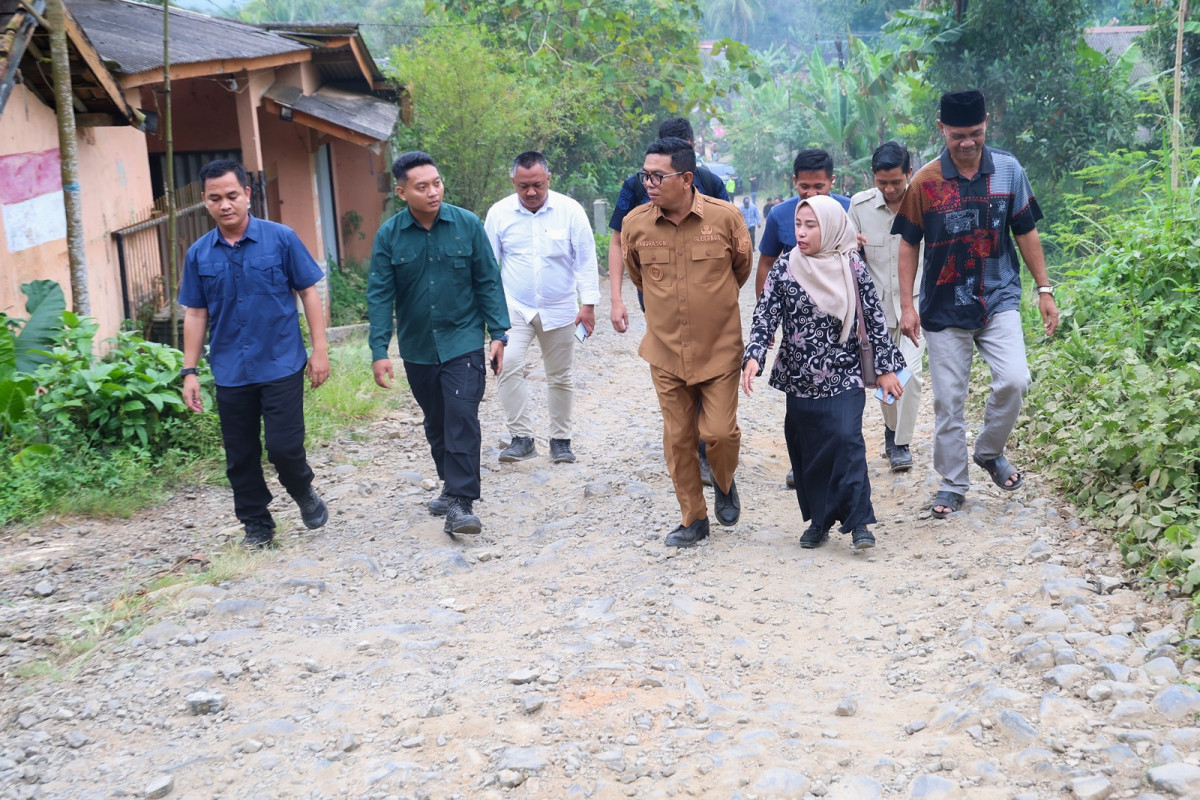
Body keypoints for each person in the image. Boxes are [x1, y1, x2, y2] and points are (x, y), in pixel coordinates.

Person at [891, 89, 1059, 519]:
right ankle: (952, 484)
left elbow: (1025, 231)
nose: (967, 143)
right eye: (958, 135)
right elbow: (909, 245)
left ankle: (988, 450)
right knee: (949, 400)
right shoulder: (925, 182)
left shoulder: (1008, 170)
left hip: (997, 296)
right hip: (943, 307)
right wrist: (907, 306)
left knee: (1015, 379)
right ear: (942, 129)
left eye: (976, 133)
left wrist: (1044, 289)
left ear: (987, 124)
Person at [178, 159, 329, 549]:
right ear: (205, 202)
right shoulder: (199, 254)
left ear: (247, 194)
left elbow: (308, 292)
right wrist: (189, 371)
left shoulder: (280, 238)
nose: (225, 205)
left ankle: (302, 490)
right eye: (215, 198)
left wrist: (320, 350)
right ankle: (257, 527)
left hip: (280, 362)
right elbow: (195, 314)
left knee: (284, 447)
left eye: (232, 195)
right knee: (240, 456)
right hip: (230, 369)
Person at [742, 195, 905, 551]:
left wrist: (886, 368)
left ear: (830, 226)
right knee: (810, 450)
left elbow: (874, 320)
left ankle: (859, 521)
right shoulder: (786, 266)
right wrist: (754, 356)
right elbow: (765, 314)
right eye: (798, 225)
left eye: (810, 225)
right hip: (799, 376)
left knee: (848, 440)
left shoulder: (852, 267)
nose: (801, 232)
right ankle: (820, 519)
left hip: (844, 372)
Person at [368, 151, 511, 537]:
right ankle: (450, 485)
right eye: (422, 187)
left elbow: (488, 280)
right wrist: (379, 351)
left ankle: (462, 503)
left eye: (437, 183)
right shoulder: (390, 236)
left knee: (461, 416)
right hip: (417, 347)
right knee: (437, 420)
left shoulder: (466, 224)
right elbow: (380, 295)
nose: (433, 192)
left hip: (463, 338)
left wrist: (498, 333)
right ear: (402, 192)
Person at [621, 137, 753, 547]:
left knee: (719, 434)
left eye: (658, 175)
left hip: (719, 349)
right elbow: (638, 277)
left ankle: (725, 481)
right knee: (678, 437)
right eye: (646, 174)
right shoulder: (636, 223)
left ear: (687, 177)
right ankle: (693, 518)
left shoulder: (726, 218)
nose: (649, 183)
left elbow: (741, 269)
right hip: (665, 351)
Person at [484, 151, 600, 464]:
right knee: (507, 366)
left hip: (561, 307)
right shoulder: (498, 214)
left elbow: (586, 259)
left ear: (548, 179)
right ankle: (521, 438)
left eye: (537, 184)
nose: (531, 192)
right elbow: (487, 266)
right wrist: (489, 314)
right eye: (523, 186)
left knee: (560, 375)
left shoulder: (570, 211)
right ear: (513, 182)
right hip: (514, 307)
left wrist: (588, 305)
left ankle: (561, 440)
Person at [755, 149, 852, 488]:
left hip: (839, 328)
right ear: (793, 182)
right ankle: (804, 464)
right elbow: (766, 263)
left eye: (819, 187)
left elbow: (858, 266)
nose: (811, 194)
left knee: (836, 404)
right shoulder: (781, 216)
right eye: (804, 187)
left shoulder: (847, 211)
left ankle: (835, 466)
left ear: (832, 182)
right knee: (802, 406)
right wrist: (765, 318)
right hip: (799, 328)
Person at [606, 117, 729, 335]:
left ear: (691, 146)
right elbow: (618, 241)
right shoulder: (636, 185)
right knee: (665, 347)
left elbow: (734, 246)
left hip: (705, 295)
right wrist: (616, 299)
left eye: (681, 148)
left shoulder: (711, 183)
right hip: (656, 292)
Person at [849, 141, 925, 472]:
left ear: (909, 173)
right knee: (886, 377)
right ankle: (891, 431)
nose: (890, 189)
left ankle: (900, 442)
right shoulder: (860, 206)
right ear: (873, 177)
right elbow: (848, 256)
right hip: (876, 311)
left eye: (896, 181)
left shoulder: (925, 203)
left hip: (917, 307)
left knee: (911, 376)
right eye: (882, 182)